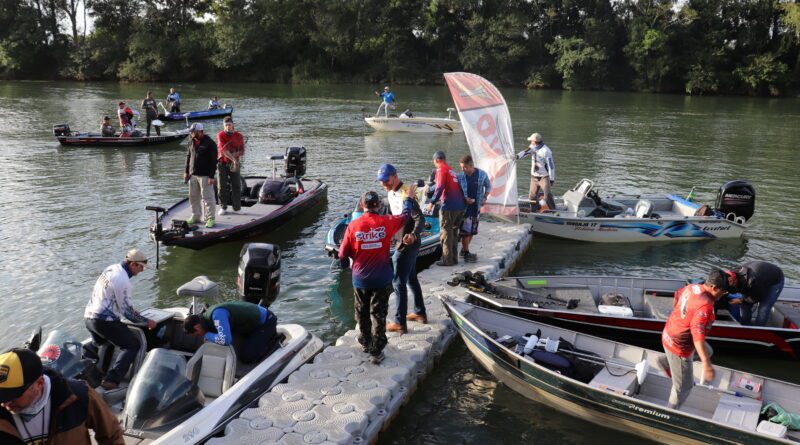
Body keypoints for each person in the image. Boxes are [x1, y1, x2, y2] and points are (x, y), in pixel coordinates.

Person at [339, 189, 415, 364]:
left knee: (361, 312)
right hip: (381, 279)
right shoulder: (386, 221)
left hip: (360, 279)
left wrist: (347, 267)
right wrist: (409, 199)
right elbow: (405, 217)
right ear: (379, 206)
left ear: (363, 206)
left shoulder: (353, 226)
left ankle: (365, 342)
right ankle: (377, 350)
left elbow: (343, 255)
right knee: (378, 314)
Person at [0, 348, 124, 445]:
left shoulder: (79, 394)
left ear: (39, 383)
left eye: (13, 395)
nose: (5, 403)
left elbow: (112, 435)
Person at [83, 249, 157, 391]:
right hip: (104, 321)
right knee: (132, 345)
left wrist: (131, 310)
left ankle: (90, 373)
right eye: (141, 267)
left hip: (89, 317)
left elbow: (110, 297)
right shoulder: (123, 280)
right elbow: (127, 314)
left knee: (103, 343)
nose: (142, 270)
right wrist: (147, 322)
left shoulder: (111, 268)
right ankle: (111, 380)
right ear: (133, 264)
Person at [661, 270, 730, 409]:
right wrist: (706, 364)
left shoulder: (692, 287)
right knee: (684, 388)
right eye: (723, 292)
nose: (724, 295)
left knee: (708, 351)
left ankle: (664, 361)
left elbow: (677, 294)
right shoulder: (705, 304)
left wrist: (680, 318)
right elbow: (697, 333)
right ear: (715, 288)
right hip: (680, 346)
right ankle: (670, 412)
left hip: (668, 333)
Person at [376, 164, 427, 335]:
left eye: (386, 180)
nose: (384, 184)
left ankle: (399, 323)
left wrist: (413, 234)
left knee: (398, 283)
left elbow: (419, 217)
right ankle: (420, 312)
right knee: (411, 278)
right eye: (381, 182)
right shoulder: (391, 192)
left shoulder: (406, 193)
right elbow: (397, 217)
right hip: (402, 241)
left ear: (395, 176)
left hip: (408, 243)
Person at [183, 301, 278, 364]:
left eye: (197, 334)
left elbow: (225, 340)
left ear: (197, 327)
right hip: (249, 323)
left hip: (266, 322)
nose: (200, 336)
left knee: (247, 357)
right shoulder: (204, 318)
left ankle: (274, 341)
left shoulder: (217, 315)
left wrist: (207, 335)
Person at [425, 151, 466, 266]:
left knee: (445, 233)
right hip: (459, 206)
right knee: (453, 232)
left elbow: (440, 187)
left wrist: (432, 202)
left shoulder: (440, 170)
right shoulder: (451, 170)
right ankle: (453, 259)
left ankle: (447, 260)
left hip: (449, 206)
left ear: (436, 160)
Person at [723, 261, 784, 326]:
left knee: (763, 309)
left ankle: (759, 329)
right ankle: (745, 325)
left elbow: (757, 297)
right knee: (744, 305)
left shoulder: (752, 281)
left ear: (735, 282)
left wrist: (740, 300)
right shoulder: (730, 275)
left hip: (775, 281)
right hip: (759, 278)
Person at [457, 155, 491, 263]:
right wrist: (464, 198)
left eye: (464, 167)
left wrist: (485, 197)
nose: (462, 169)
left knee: (472, 231)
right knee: (465, 232)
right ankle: (466, 253)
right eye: (461, 167)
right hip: (465, 208)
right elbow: (456, 191)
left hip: (476, 208)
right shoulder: (460, 176)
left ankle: (464, 250)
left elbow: (488, 187)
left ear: (471, 166)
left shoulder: (482, 174)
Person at [184, 123, 218, 228]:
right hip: (192, 175)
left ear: (200, 131)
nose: (191, 133)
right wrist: (186, 172)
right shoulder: (191, 142)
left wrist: (211, 176)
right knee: (193, 197)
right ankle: (196, 216)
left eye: (193, 132)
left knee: (208, 198)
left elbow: (213, 161)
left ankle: (210, 218)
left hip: (205, 175)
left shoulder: (210, 143)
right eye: (191, 132)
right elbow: (188, 157)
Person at [516, 132, 555, 210]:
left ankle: (554, 211)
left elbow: (551, 166)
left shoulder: (546, 151)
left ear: (535, 142)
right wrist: (516, 156)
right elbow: (525, 152)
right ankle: (534, 210)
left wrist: (551, 179)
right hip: (534, 176)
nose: (530, 142)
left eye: (531, 141)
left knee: (547, 196)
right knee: (532, 196)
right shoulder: (533, 147)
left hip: (544, 177)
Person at [216, 116, 245, 216]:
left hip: (235, 164)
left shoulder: (239, 136)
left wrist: (235, 156)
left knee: (236, 185)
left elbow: (242, 151)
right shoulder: (220, 135)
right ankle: (223, 207)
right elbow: (223, 150)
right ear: (224, 126)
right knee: (222, 186)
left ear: (233, 124)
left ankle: (237, 208)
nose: (228, 127)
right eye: (226, 125)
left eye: (230, 125)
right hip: (222, 163)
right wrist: (233, 159)